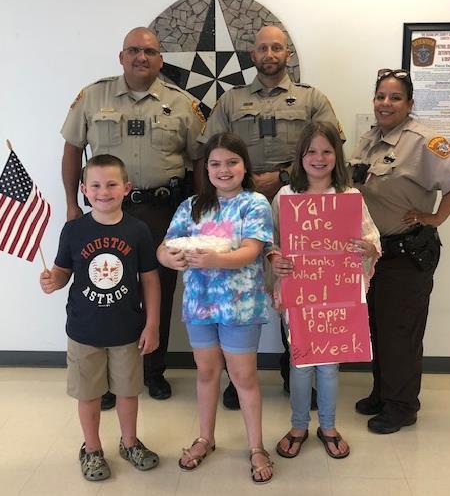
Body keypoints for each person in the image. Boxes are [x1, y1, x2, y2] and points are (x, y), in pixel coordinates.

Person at [198, 24, 345, 409]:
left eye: (276, 47)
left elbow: (327, 147)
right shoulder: (230, 101)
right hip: (240, 203)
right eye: (262, 47)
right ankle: (236, 376)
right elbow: (212, 149)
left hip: (295, 199)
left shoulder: (312, 98)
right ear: (252, 54)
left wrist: (278, 178)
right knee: (241, 282)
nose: (269, 54)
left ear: (287, 54)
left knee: (297, 279)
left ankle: (296, 369)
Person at [61, 27, 204, 408]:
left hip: (163, 212)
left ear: (160, 60)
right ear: (121, 56)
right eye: (134, 50)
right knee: (108, 291)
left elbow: (199, 159)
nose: (142, 57)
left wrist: (201, 210)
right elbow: (73, 150)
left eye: (151, 52)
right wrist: (72, 206)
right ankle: (107, 380)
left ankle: (152, 371)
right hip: (106, 213)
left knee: (160, 288)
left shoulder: (183, 104)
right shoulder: (93, 96)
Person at [349, 68, 450, 434]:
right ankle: (383, 393)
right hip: (375, 251)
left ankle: (402, 406)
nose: (386, 103)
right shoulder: (370, 138)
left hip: (407, 251)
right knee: (376, 326)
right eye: (380, 97)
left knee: (399, 330)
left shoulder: (423, 140)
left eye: (395, 97)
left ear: (410, 103)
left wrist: (435, 218)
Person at [157, 132, 275, 483]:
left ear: (244, 166)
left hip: (239, 306)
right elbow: (164, 247)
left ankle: (256, 447)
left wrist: (214, 258)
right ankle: (205, 438)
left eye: (232, 162)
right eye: (215, 163)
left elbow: (252, 252)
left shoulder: (255, 204)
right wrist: (170, 259)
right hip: (200, 305)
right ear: (205, 168)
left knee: (243, 377)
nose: (224, 170)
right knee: (206, 373)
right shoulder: (191, 206)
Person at [39, 154, 161, 481]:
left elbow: (149, 278)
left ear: (126, 188)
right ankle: (91, 449)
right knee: (88, 394)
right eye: (95, 185)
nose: (103, 191)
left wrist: (152, 324)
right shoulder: (74, 230)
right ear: (83, 189)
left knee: (128, 392)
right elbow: (64, 271)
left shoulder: (138, 230)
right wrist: (54, 280)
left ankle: (130, 442)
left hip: (127, 330)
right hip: (84, 331)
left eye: (111, 184)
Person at [270, 122, 380, 458]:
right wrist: (274, 259)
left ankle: (328, 425)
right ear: (301, 156)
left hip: (336, 296)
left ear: (337, 155)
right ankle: (299, 424)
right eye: (312, 151)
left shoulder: (349, 197)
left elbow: (372, 239)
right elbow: (271, 242)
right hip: (300, 295)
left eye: (327, 151)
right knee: (300, 361)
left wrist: (367, 249)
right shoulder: (286, 197)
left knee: (330, 364)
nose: (319, 158)